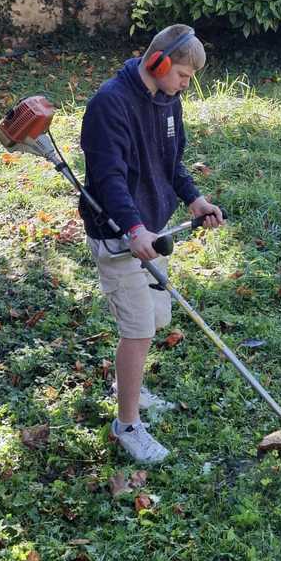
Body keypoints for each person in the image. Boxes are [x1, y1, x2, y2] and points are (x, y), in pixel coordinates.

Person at [80, 25, 224, 464]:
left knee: (157, 317)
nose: (186, 85)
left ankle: (128, 386)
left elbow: (172, 162)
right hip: (120, 238)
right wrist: (133, 228)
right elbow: (109, 179)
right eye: (182, 75)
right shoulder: (110, 104)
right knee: (139, 329)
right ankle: (126, 425)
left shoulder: (167, 101)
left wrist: (195, 199)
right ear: (158, 62)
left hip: (152, 234)